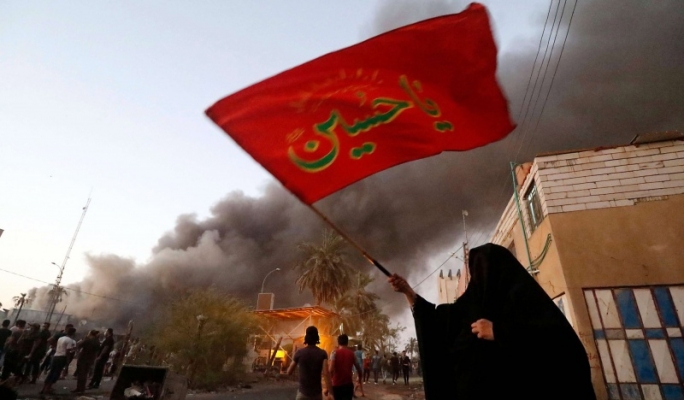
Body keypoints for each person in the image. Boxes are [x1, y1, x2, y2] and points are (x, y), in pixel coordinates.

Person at [388, 243, 596, 400]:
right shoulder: (471, 307)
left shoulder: (528, 307)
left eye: (478, 272)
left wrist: (500, 332)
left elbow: (561, 350)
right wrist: (408, 292)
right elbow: (438, 322)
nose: (475, 281)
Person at [284, 326, 332, 400]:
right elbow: (326, 373)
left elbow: (289, 372)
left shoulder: (299, 353)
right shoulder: (322, 353)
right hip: (316, 395)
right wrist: (331, 392)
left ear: (306, 338)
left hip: (302, 394)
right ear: (317, 338)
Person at [40, 327, 76, 395]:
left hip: (56, 356)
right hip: (62, 357)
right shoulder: (70, 341)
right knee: (56, 373)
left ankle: (44, 388)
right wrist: (67, 362)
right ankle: (48, 388)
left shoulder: (60, 338)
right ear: (73, 333)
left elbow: (55, 344)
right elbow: (68, 352)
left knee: (51, 372)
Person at [329, 334, 362, 400]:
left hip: (336, 385)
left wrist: (329, 385)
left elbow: (330, 370)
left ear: (338, 342)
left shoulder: (334, 353)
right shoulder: (352, 354)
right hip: (348, 385)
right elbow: (359, 369)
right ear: (347, 342)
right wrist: (359, 379)